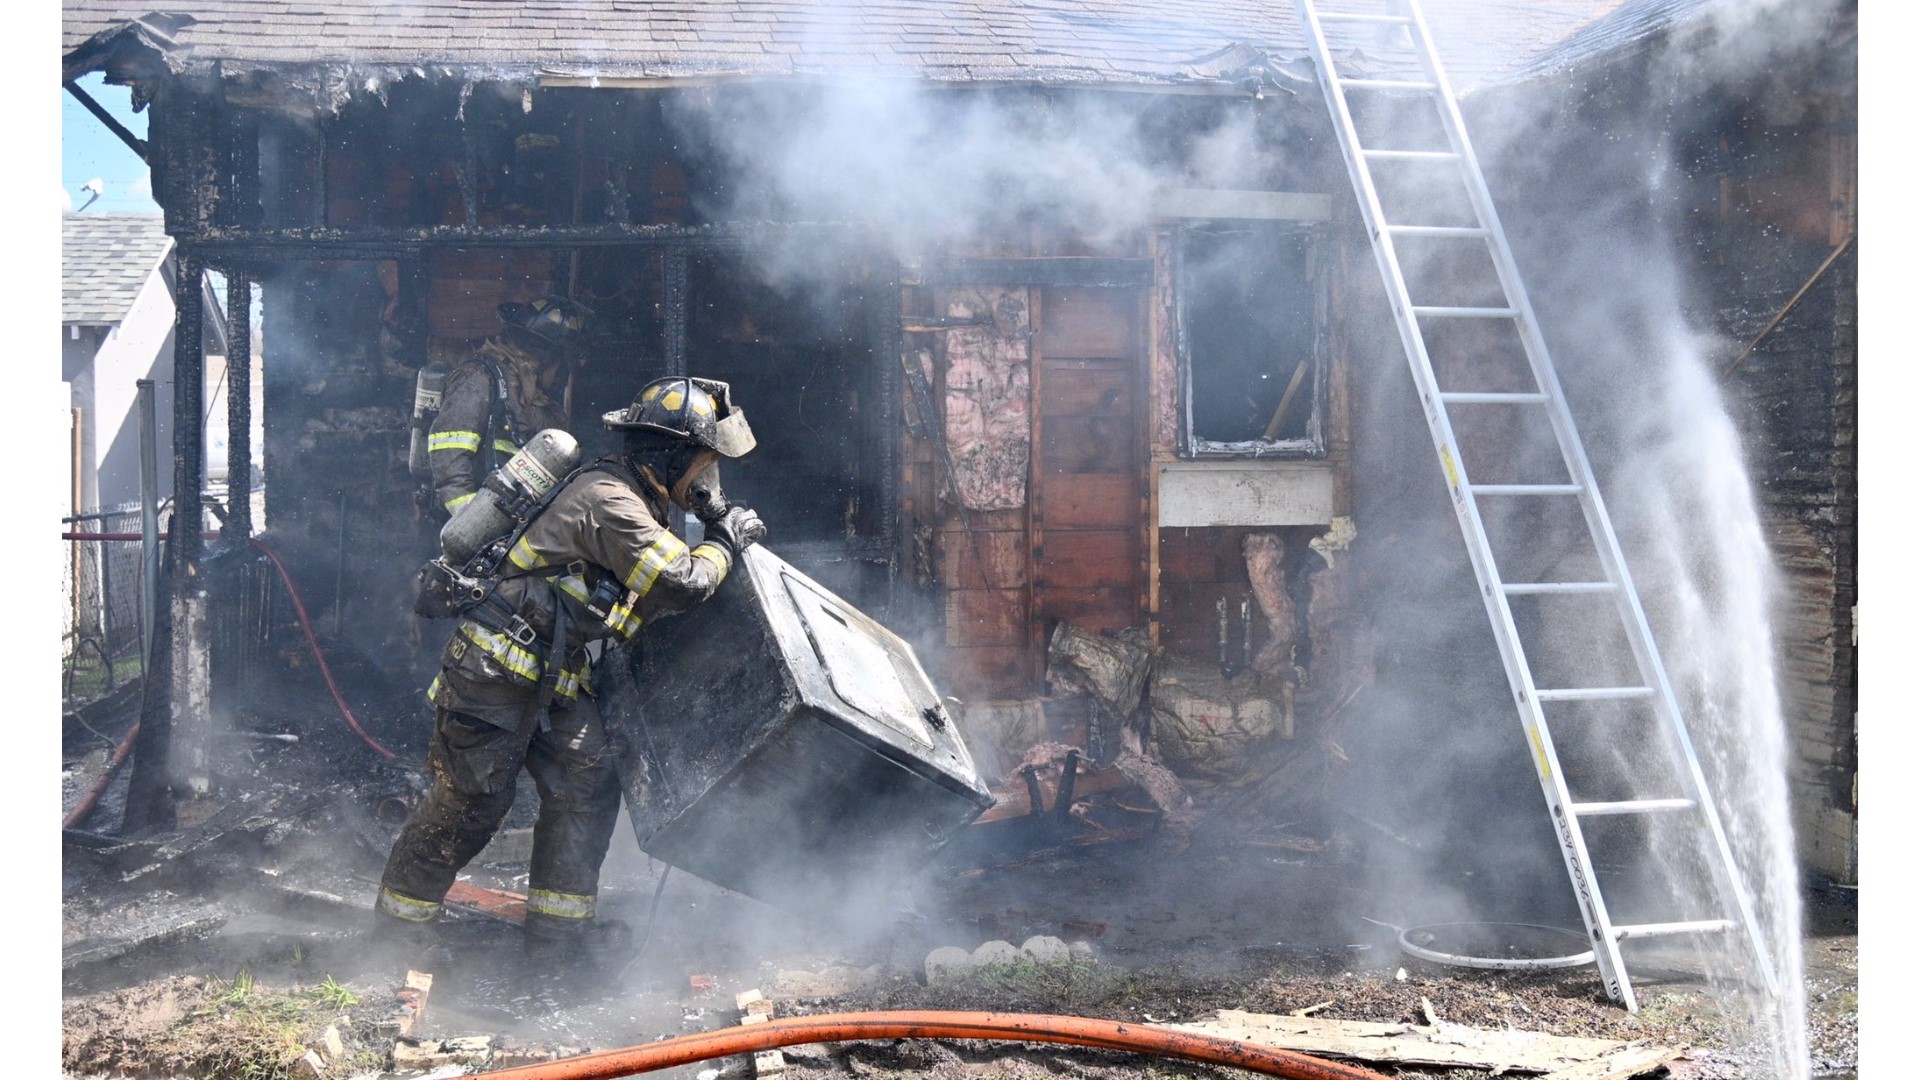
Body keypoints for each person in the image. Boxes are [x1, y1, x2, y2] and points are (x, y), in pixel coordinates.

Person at [375, 375, 767, 970]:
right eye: (708, 462)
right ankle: (396, 940)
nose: (712, 478)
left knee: (586, 786)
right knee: (472, 805)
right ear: (678, 453)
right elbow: (680, 582)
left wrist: (709, 527)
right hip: (495, 670)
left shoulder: (639, 501)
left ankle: (557, 947)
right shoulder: (608, 500)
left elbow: (633, 603)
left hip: (554, 680)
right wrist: (724, 540)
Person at [426, 295, 595, 519]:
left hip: (511, 523)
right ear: (544, 355)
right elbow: (449, 461)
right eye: (564, 362)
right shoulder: (478, 378)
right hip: (469, 529)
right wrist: (470, 523)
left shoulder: (536, 395)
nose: (565, 373)